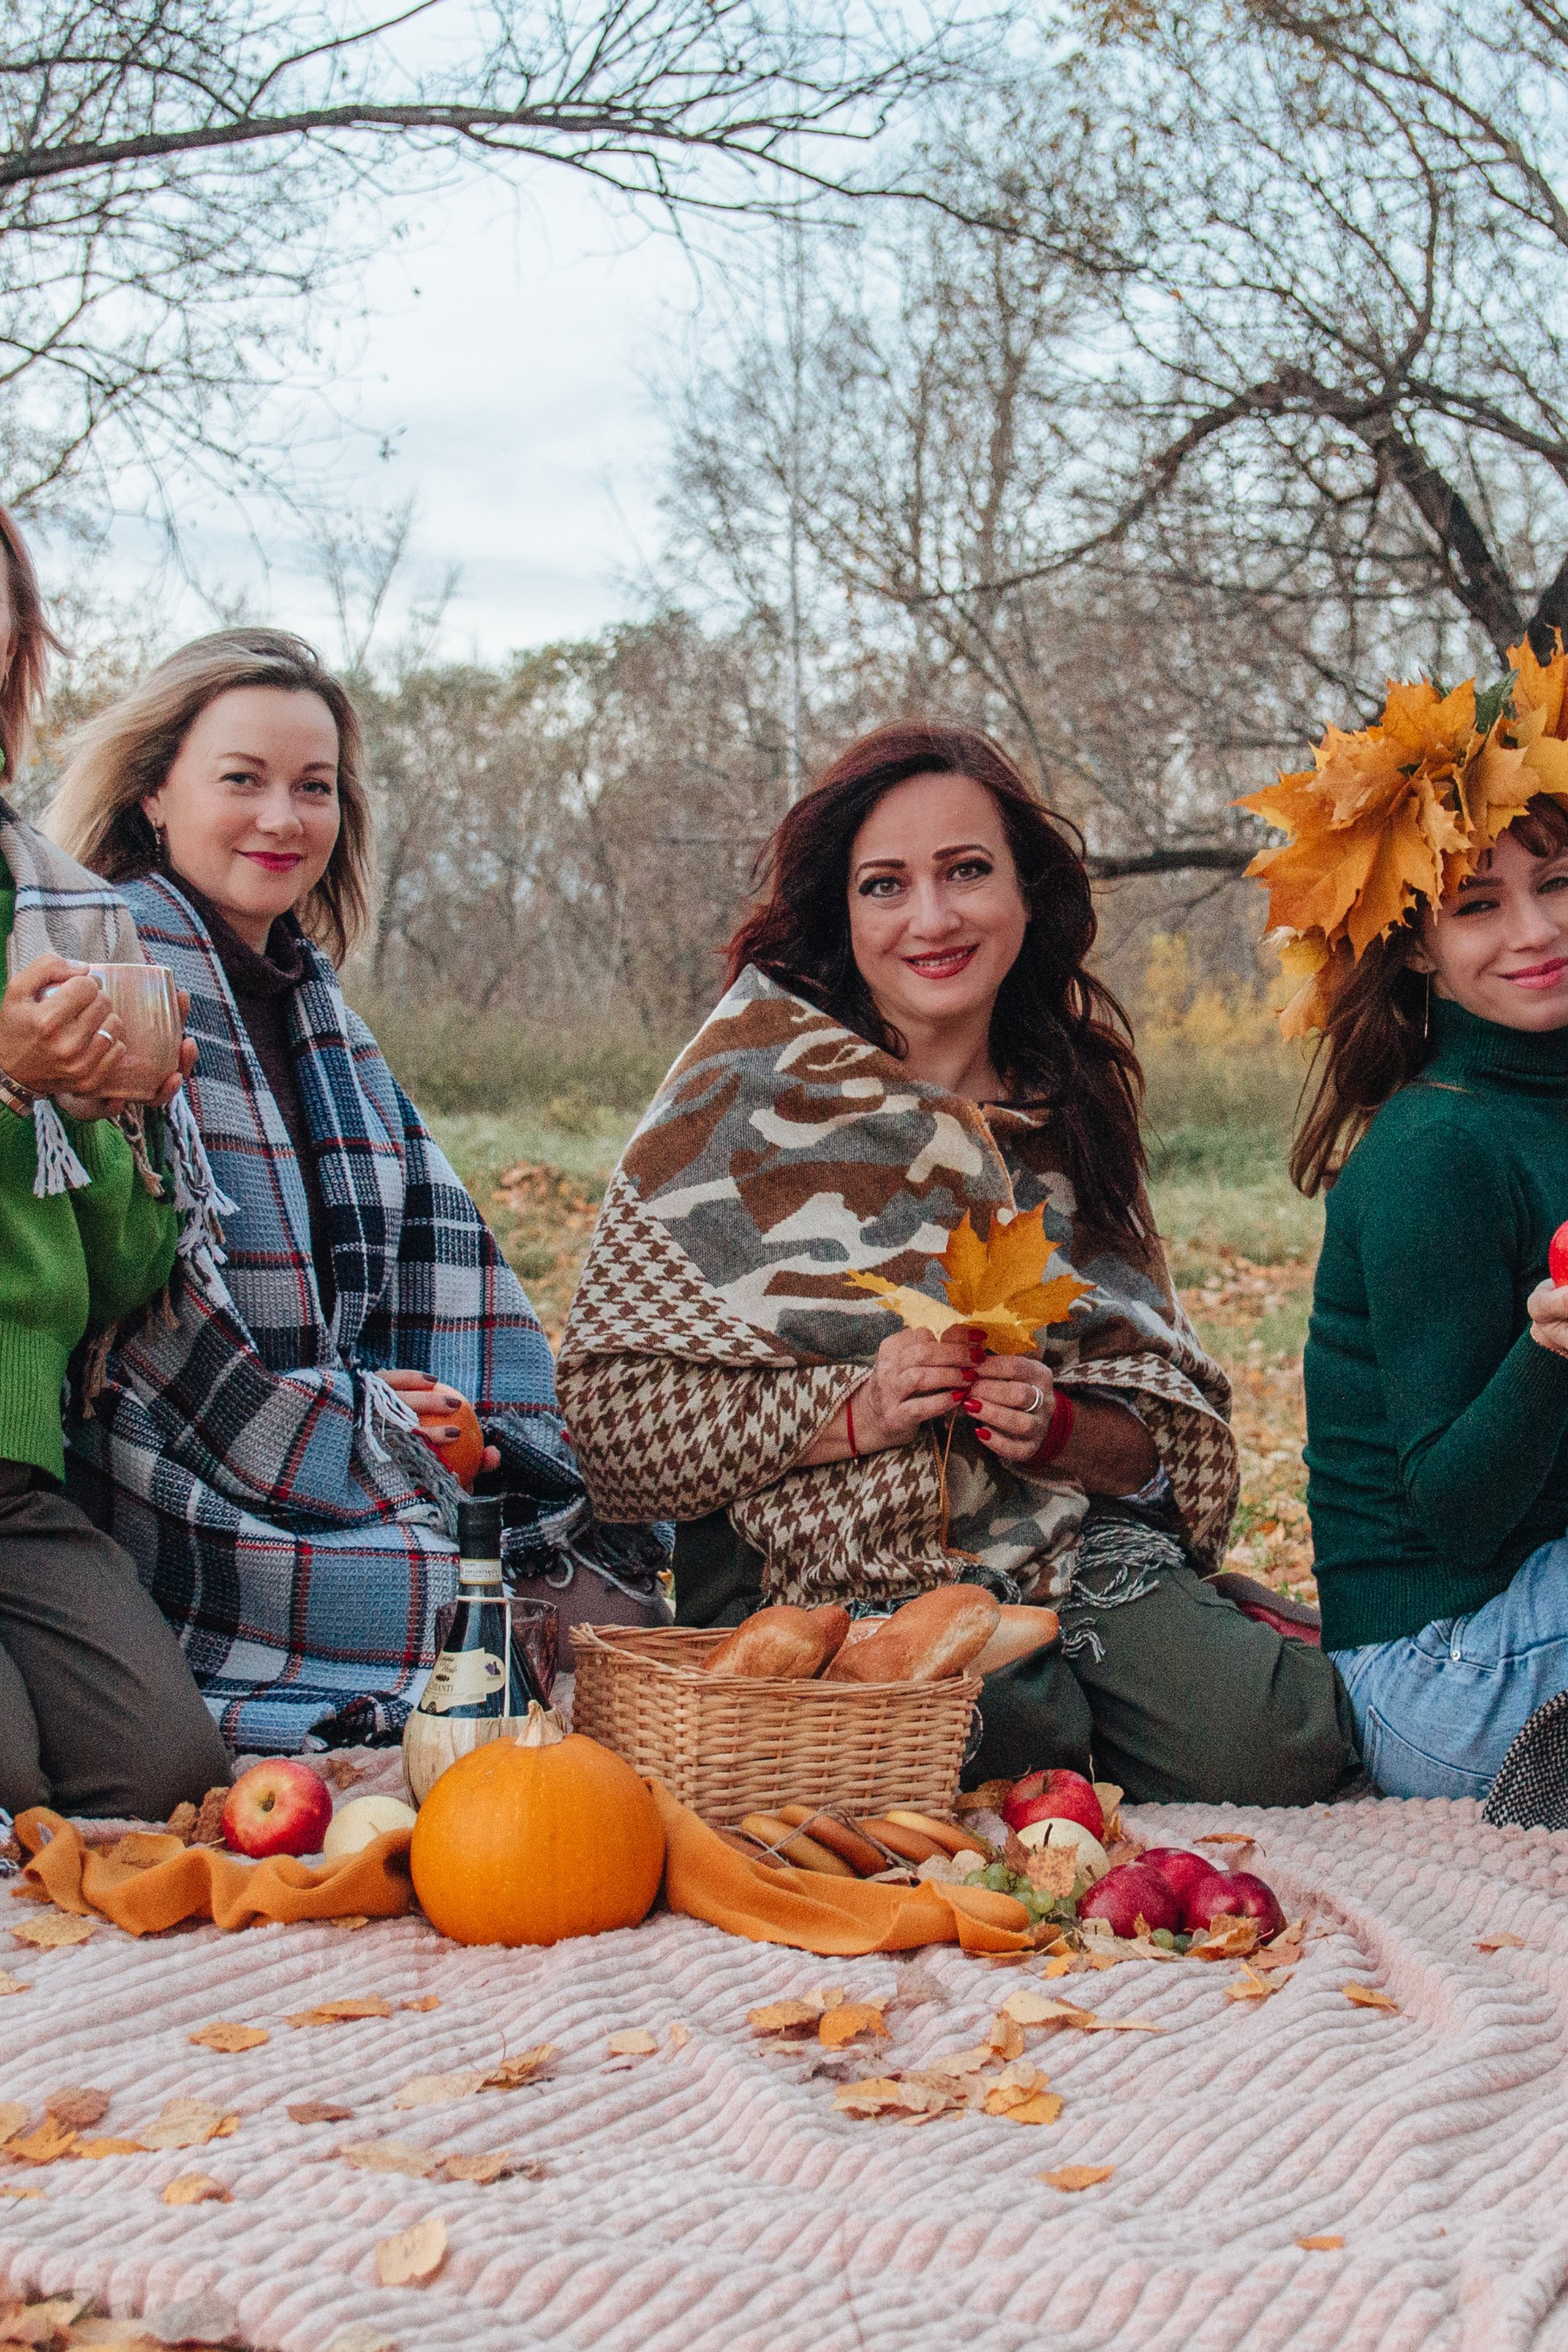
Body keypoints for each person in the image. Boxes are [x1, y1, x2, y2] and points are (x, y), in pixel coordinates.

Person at [558, 722, 1359, 1803]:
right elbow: (609, 1425)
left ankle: (1167, 1659)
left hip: (1071, 1551)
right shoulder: (736, 1101)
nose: (931, 919)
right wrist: (853, 1413)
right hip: (817, 1565)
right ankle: (1060, 1712)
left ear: (1027, 897)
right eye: (885, 885)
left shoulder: (1069, 1115)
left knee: (1285, 1743)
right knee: (1005, 1731)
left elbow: (1175, 1434)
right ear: (844, 915)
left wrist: (1065, 1427)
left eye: (967, 872)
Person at [45, 627, 595, 1752]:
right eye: (241, 780)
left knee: (603, 1596)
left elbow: (436, 1250)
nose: (282, 820)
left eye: (315, 788)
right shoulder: (109, 978)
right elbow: (149, 1317)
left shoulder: (320, 1010)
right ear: (156, 792)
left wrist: (468, 1423)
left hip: (351, 1437)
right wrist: (370, 1425)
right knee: (446, 1603)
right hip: (172, 1459)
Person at [1248, 641, 1568, 1801]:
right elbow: (1460, 1514)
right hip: (1435, 1669)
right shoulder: (1435, 1149)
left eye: (1560, 884)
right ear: (1419, 945)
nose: (1533, 933)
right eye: (1480, 905)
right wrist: (1547, 1351)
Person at [0, 508, 231, 1818]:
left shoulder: (58, 903)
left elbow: (118, 1277)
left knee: (161, 1775)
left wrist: (116, 1124)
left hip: (16, 1460)